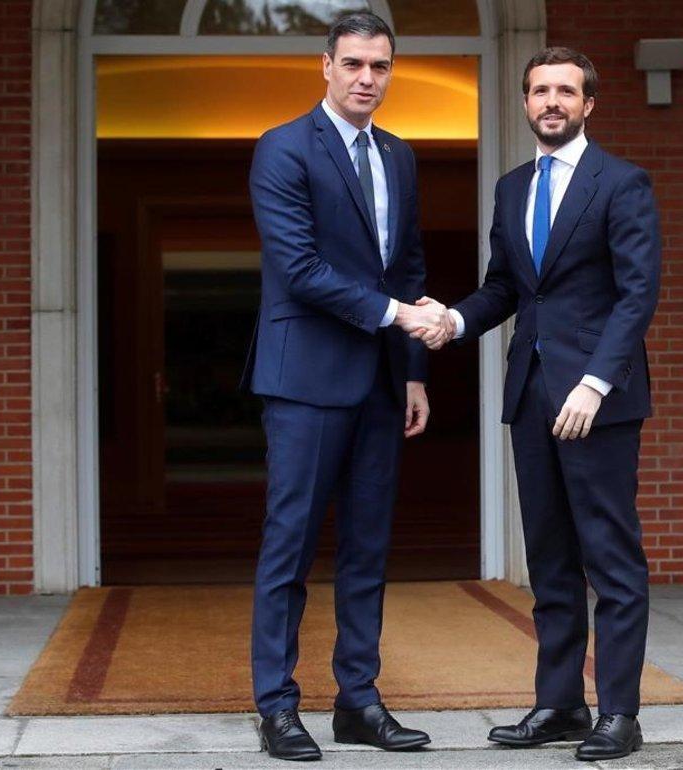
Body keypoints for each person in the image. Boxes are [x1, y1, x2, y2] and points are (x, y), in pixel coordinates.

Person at [419, 47, 661, 762]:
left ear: (589, 103)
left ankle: (621, 712)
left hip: (597, 402)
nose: (551, 101)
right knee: (550, 560)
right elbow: (507, 289)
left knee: (611, 559)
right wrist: (455, 321)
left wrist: (596, 382)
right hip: (531, 394)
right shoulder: (512, 187)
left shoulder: (622, 183)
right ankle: (560, 703)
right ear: (525, 103)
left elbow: (636, 293)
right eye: (539, 90)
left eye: (565, 90)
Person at [240, 11, 448, 762]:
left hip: (384, 383)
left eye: (380, 67)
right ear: (325, 66)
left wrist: (416, 371)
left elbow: (411, 270)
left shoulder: (400, 156)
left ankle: (358, 701)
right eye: (354, 64)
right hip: (305, 380)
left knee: (368, 550)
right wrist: (396, 314)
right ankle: (277, 707)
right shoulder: (284, 148)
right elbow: (298, 268)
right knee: (289, 547)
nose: (367, 78)